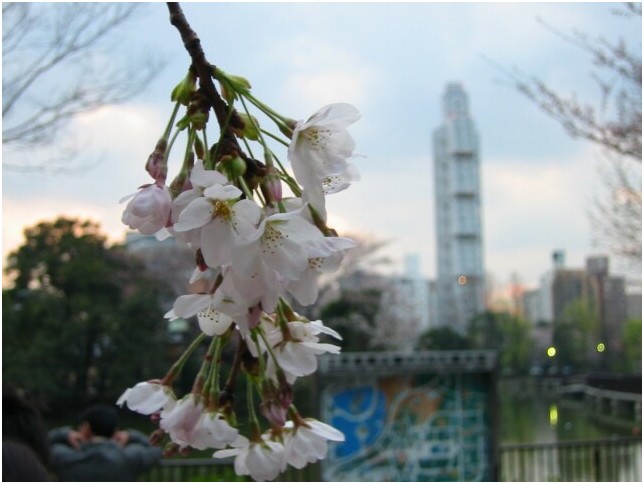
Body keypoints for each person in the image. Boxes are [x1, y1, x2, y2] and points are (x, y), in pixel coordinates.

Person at [48, 403, 162, 482]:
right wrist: (131, 435)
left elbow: (37, 446)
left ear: (86, 428)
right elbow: (155, 448)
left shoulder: (65, 457)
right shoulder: (129, 458)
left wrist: (63, 433)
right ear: (115, 431)